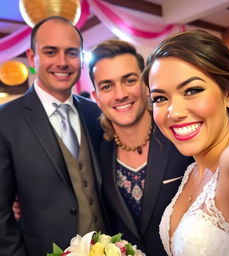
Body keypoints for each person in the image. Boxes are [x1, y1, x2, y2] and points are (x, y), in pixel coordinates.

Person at [143, 30, 229, 255]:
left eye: (192, 90)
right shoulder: (191, 172)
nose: (174, 113)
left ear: (228, 94)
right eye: (160, 98)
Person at [0, 16, 105, 256]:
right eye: (50, 52)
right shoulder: (5, 121)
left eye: (71, 52)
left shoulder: (95, 113)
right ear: (31, 57)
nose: (62, 62)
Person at [88, 39, 194, 255]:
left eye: (129, 80)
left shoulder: (179, 135)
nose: (120, 94)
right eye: (106, 86)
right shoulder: (99, 151)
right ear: (96, 97)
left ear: (146, 85)